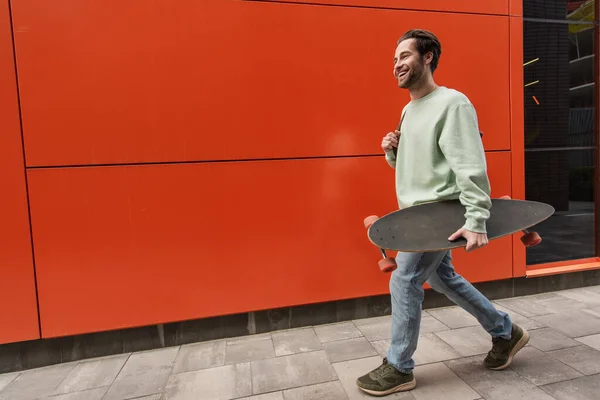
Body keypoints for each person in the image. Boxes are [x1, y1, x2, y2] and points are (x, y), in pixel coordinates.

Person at [355, 29, 530, 397]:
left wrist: (477, 218)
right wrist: (393, 151)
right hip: (417, 218)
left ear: (428, 56)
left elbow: (469, 165)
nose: (397, 65)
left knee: (403, 280)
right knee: (443, 279)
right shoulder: (408, 109)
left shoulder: (453, 104)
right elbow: (419, 168)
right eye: (394, 60)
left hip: (439, 217)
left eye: (404, 56)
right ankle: (504, 331)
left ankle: (399, 366)